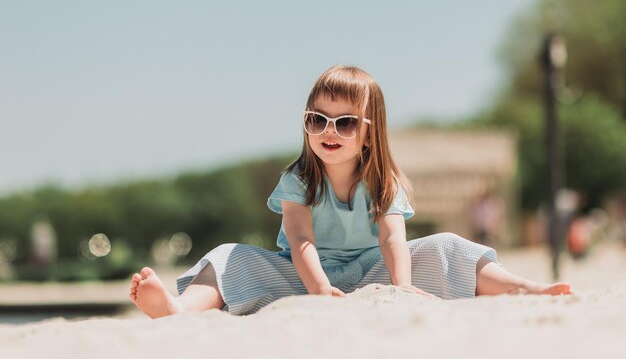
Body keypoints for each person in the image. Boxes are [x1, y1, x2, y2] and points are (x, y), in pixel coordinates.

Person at [129, 65, 572, 318]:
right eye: (316, 119)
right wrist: (319, 288)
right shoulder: (298, 180)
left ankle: (524, 288)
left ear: (368, 133)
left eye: (344, 123)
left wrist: (400, 287)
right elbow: (300, 240)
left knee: (447, 247)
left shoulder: (383, 181)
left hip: (372, 271)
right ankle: (179, 309)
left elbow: (393, 238)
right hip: (302, 276)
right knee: (230, 256)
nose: (328, 131)